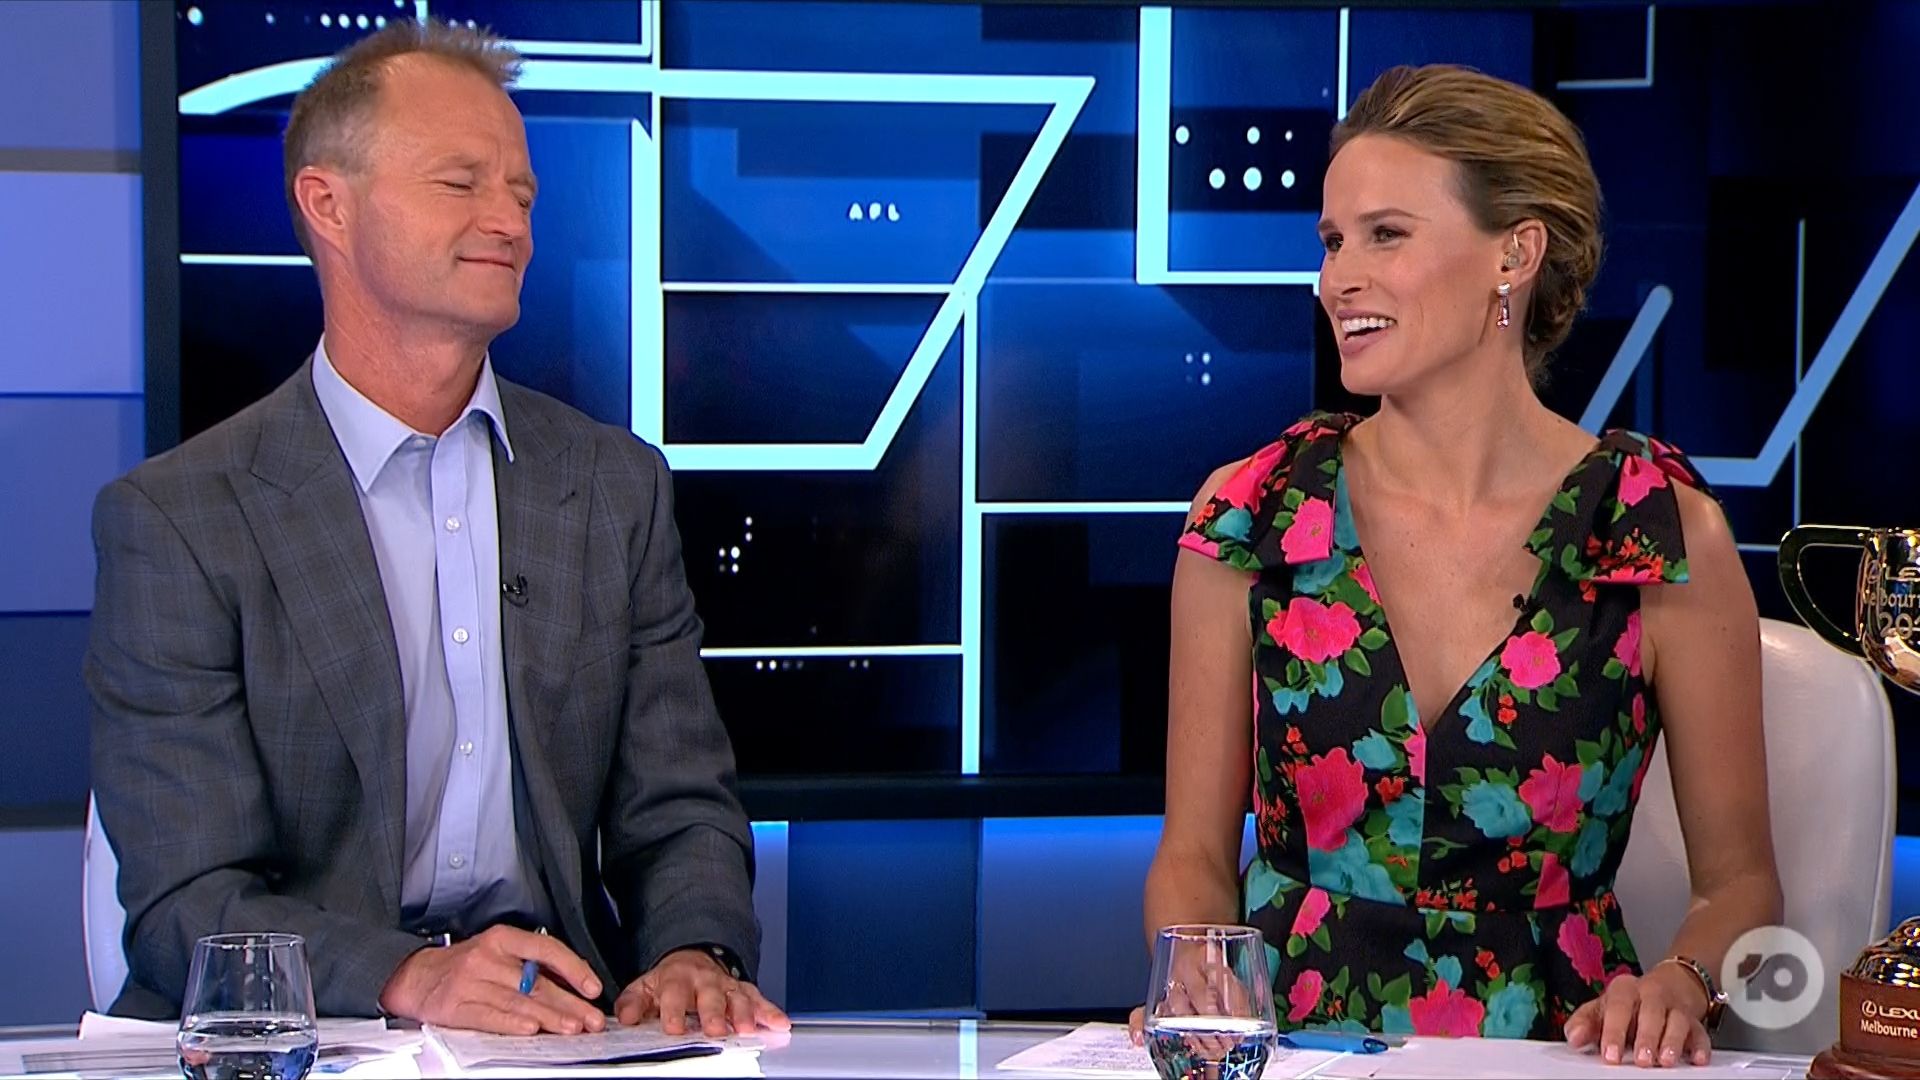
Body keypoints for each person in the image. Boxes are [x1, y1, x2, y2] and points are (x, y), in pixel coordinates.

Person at [86, 20, 789, 1039]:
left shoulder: (611, 487)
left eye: (523, 195)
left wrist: (692, 952)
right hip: (304, 1037)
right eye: (461, 184)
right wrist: (411, 977)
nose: (508, 222)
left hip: (558, 1028)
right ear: (327, 204)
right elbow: (185, 899)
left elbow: (679, 810)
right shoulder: (180, 521)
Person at [1137, 64, 1781, 1066]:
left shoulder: (1657, 533)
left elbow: (1740, 886)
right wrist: (1193, 976)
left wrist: (1680, 983)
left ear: (1513, 255)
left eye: (1386, 235)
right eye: (1333, 242)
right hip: (1297, 1051)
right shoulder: (1250, 517)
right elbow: (1191, 858)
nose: (1337, 280)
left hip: (1560, 1052)